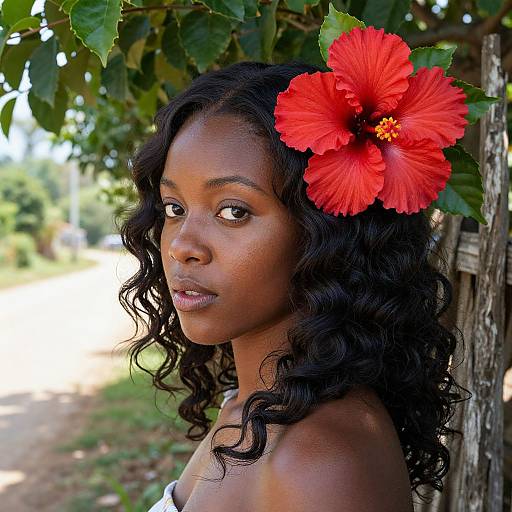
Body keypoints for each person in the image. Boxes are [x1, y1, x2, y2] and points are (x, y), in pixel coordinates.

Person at [119, 54, 468, 511]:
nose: (182, 245)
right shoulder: (251, 407)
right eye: (174, 208)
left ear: (326, 232)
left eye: (233, 211)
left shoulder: (320, 461)